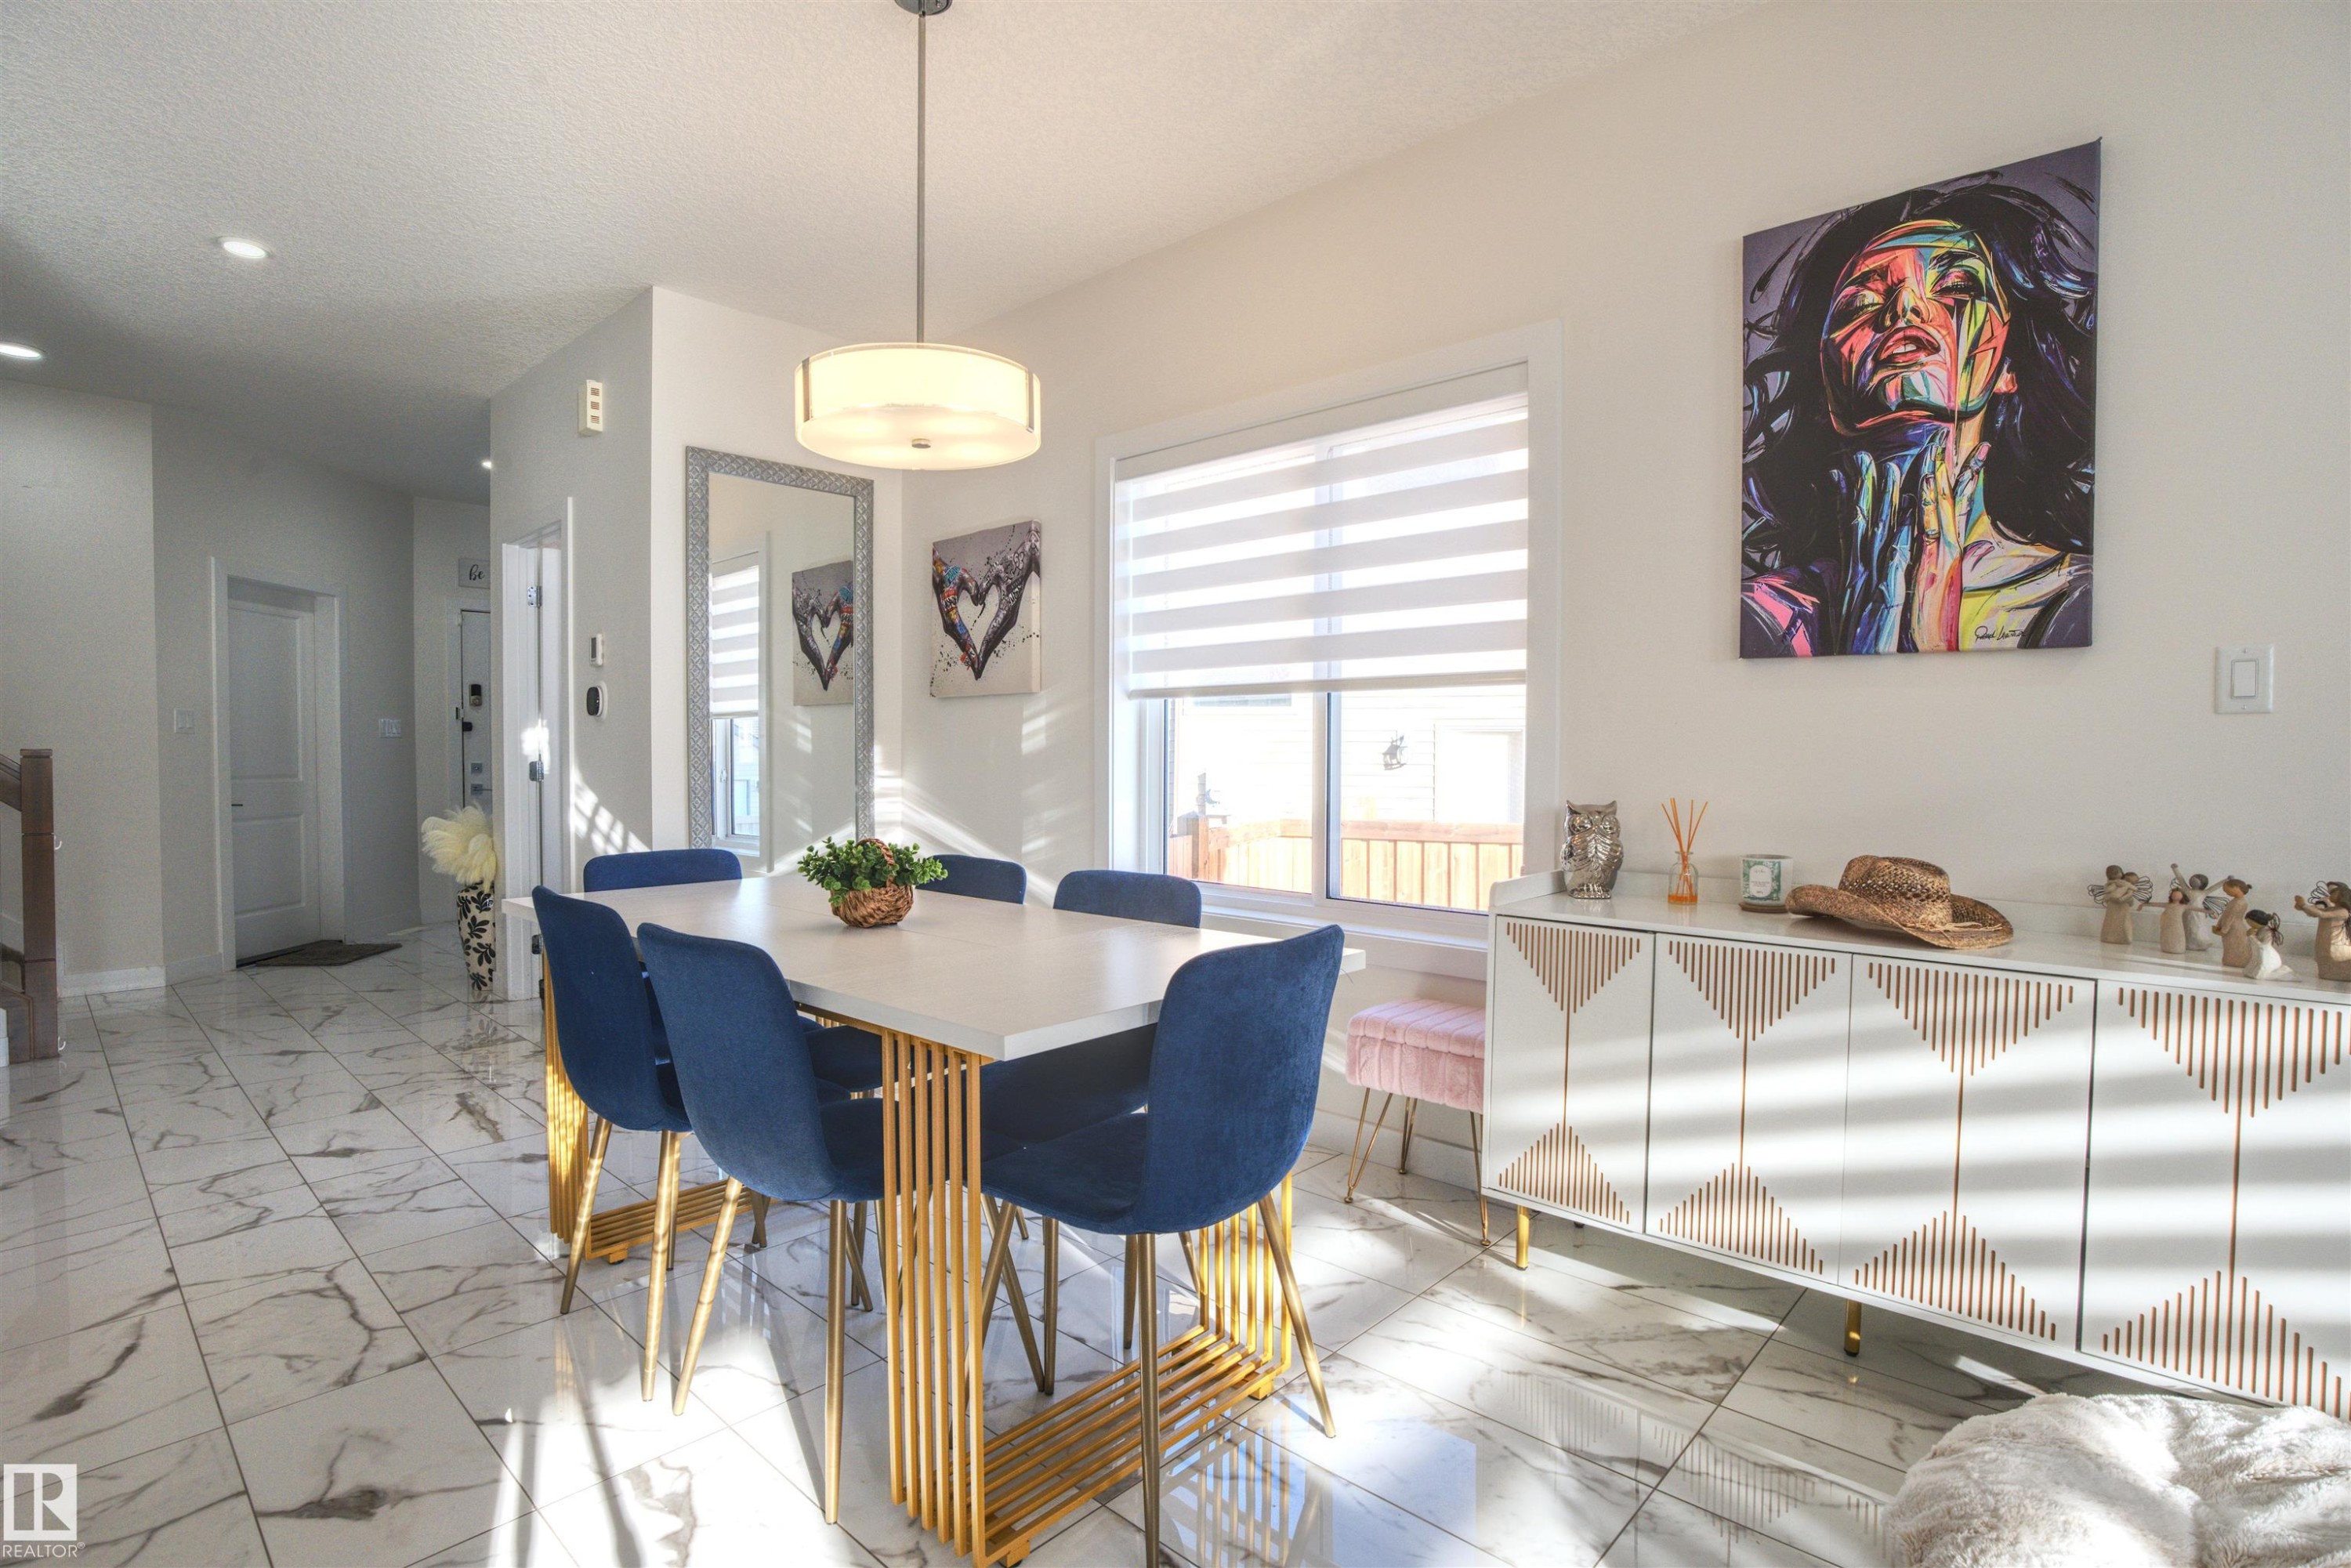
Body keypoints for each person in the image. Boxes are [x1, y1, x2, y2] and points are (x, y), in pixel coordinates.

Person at [1742, 174, 2096, 657]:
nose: (1904, 308)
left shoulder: (2076, 599)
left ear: (2009, 366)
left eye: (1956, 286)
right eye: (1861, 303)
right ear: (1827, 389)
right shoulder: (1760, 615)